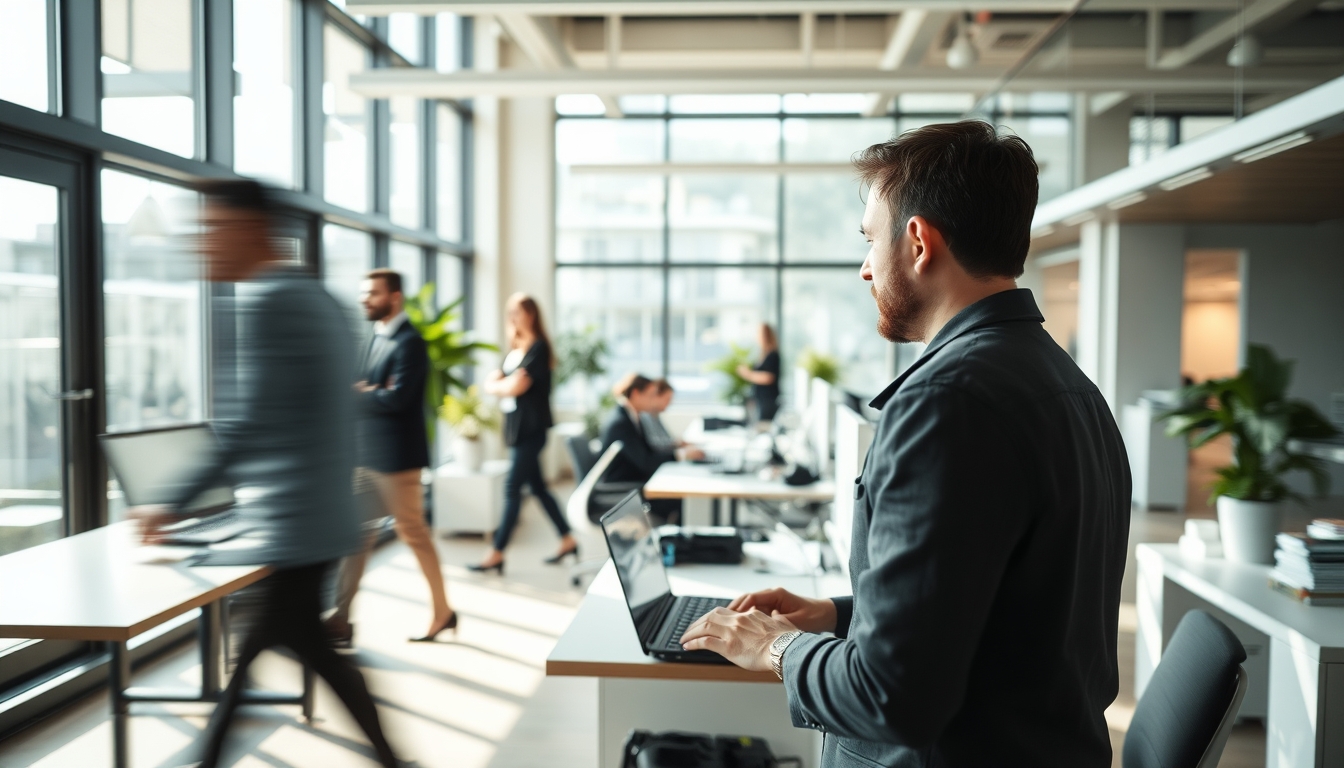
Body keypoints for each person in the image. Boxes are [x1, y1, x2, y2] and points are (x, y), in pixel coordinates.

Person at [679, 121, 1131, 766]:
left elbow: (892, 697)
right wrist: (836, 615)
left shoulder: (947, 402)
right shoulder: (1067, 383)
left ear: (918, 242)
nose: (865, 268)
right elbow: (1005, 609)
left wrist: (774, 647)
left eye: (870, 239)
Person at [132, 180, 402, 768]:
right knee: (290, 646)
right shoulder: (320, 298)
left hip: (298, 523)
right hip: (321, 515)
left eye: (212, 229)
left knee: (277, 645)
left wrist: (169, 500)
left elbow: (248, 425)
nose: (202, 244)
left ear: (251, 229)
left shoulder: (269, 303)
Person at [326, 269, 457, 646]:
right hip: (367, 456)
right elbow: (371, 390)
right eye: (363, 292)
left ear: (394, 297)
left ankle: (443, 612)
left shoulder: (410, 342)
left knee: (413, 533)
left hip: (398, 461)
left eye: (373, 293)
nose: (364, 299)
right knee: (355, 535)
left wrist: (363, 393)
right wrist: (371, 391)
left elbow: (398, 398)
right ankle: (340, 619)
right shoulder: (376, 336)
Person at [470, 293, 576, 572]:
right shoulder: (515, 349)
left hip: (532, 429)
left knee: (512, 488)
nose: (513, 318)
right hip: (516, 428)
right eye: (510, 312)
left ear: (531, 314)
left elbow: (516, 387)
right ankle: (568, 539)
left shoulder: (539, 348)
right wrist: (504, 385)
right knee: (538, 488)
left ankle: (497, 551)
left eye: (518, 312)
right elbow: (494, 383)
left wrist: (502, 385)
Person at [600, 374, 702, 524]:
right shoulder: (621, 423)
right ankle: (671, 536)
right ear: (636, 394)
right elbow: (645, 461)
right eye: (651, 395)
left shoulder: (633, 417)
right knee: (676, 497)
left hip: (635, 479)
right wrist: (679, 455)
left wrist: (678, 453)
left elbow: (649, 452)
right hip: (624, 486)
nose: (654, 400)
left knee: (678, 490)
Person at [736, 323, 780, 423]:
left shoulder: (772, 355)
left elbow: (769, 377)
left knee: (763, 425)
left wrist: (748, 374)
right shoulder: (763, 354)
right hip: (760, 399)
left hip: (768, 400)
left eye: (759, 334)